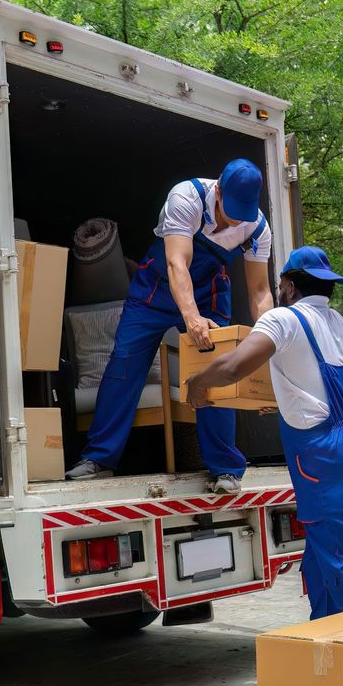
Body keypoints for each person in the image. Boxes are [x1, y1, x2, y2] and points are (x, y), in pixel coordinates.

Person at [185, 246, 343, 619]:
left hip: (325, 460)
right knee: (321, 565)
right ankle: (331, 655)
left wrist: (198, 383)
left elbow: (233, 367)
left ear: (291, 286)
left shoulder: (283, 320)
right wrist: (294, 399)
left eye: (280, 284)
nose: (278, 291)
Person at [66, 159, 274, 493]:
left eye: (241, 214)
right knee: (124, 364)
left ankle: (226, 469)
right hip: (157, 289)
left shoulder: (258, 228)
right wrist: (192, 319)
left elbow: (261, 292)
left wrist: (269, 340)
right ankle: (99, 459)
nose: (232, 220)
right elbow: (178, 263)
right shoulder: (186, 197)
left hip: (210, 294)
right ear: (218, 190)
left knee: (218, 371)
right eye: (228, 210)